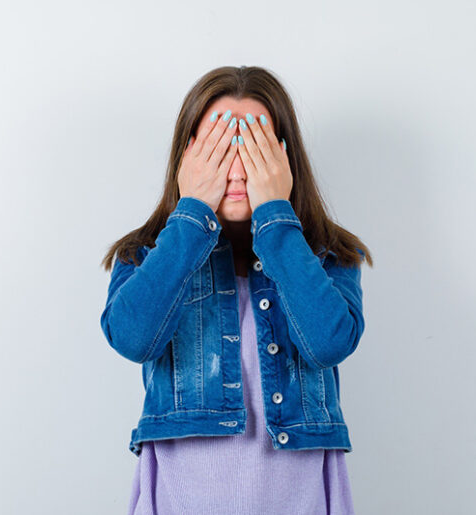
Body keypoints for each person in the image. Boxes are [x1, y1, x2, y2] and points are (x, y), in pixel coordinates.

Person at [100, 65, 373, 514]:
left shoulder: (329, 255)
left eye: (254, 148)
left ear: (284, 158)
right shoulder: (145, 255)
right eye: (219, 148)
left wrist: (275, 215)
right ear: (187, 157)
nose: (237, 169)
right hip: (182, 497)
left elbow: (329, 342)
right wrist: (190, 213)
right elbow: (132, 337)